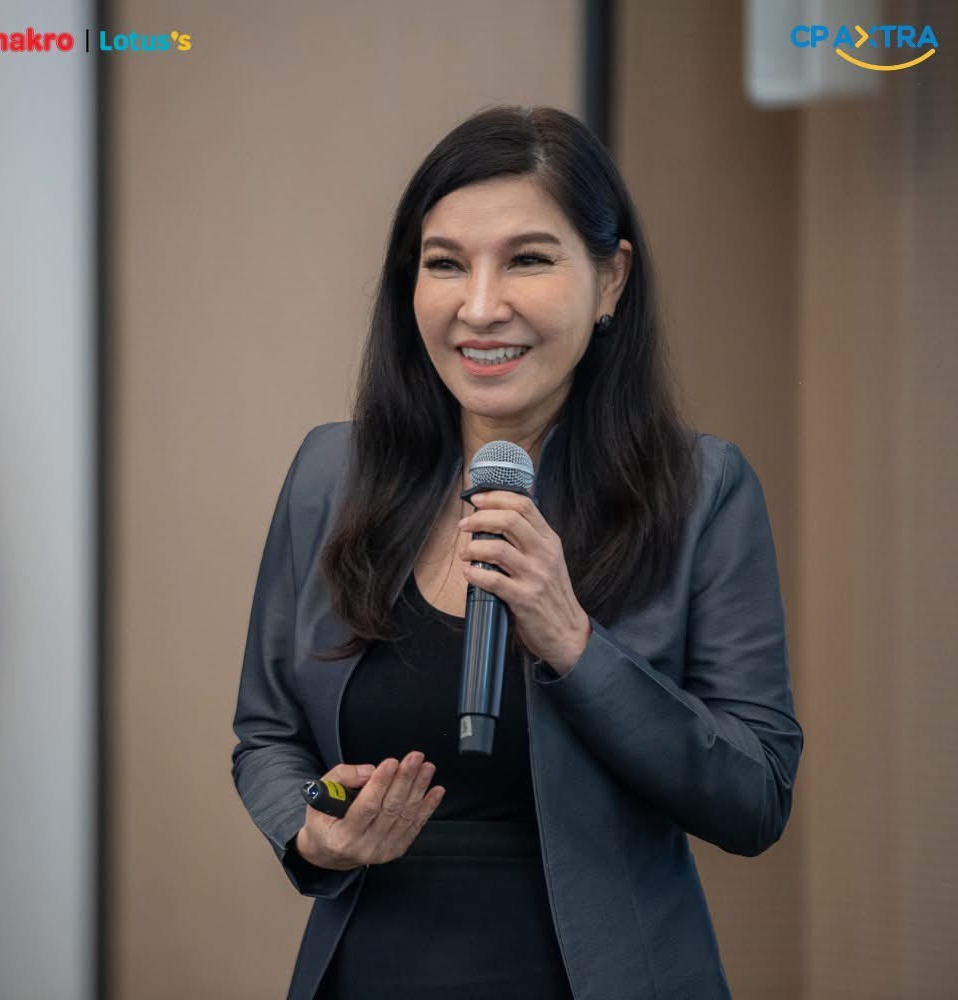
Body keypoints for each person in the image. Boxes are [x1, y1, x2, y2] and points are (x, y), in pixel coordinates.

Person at [231, 105, 803, 1000]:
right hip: (371, 972)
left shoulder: (703, 490)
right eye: (445, 264)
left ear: (610, 279)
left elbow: (755, 797)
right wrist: (313, 831)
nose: (480, 306)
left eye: (528, 259)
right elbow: (267, 736)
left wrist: (574, 640)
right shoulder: (330, 474)